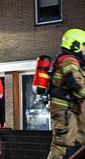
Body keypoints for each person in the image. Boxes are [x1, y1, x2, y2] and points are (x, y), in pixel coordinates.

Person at [47, 29, 85, 159]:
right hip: (64, 110)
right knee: (61, 146)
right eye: (84, 46)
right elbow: (75, 82)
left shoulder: (74, 61)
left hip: (72, 109)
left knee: (80, 140)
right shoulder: (69, 61)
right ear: (76, 45)